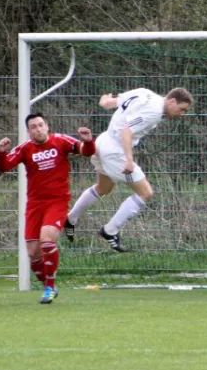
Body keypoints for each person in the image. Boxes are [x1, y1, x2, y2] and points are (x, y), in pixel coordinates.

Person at [64, 87, 193, 252]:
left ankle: (70, 218)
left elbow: (111, 102)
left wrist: (104, 101)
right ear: (172, 101)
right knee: (145, 192)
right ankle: (110, 231)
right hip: (115, 151)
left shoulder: (146, 93)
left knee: (103, 188)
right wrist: (129, 159)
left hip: (103, 141)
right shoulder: (154, 111)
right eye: (182, 109)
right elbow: (127, 130)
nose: (182, 114)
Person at [0, 112, 96, 304]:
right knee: (33, 253)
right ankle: (48, 285)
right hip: (34, 204)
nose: (38, 129)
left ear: (47, 126)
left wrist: (89, 141)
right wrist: (1, 152)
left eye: (40, 125)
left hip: (57, 202)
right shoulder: (25, 149)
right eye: (33, 127)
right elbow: (3, 167)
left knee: (47, 242)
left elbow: (86, 151)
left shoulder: (60, 141)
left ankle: (50, 287)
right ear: (28, 131)